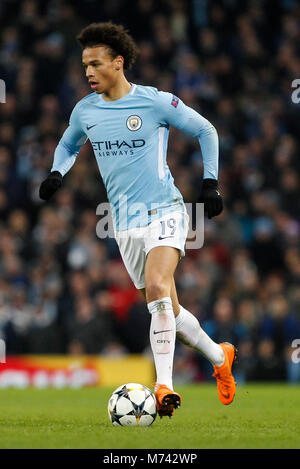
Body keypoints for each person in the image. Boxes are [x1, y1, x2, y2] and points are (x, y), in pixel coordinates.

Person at [39, 22, 237, 418]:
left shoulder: (154, 102)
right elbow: (67, 143)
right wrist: (57, 172)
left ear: (119, 62)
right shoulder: (85, 111)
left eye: (95, 64)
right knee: (169, 311)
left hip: (166, 210)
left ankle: (163, 386)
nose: (88, 73)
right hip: (124, 225)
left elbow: (206, 130)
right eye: (84, 66)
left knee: (159, 287)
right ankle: (220, 356)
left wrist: (210, 183)